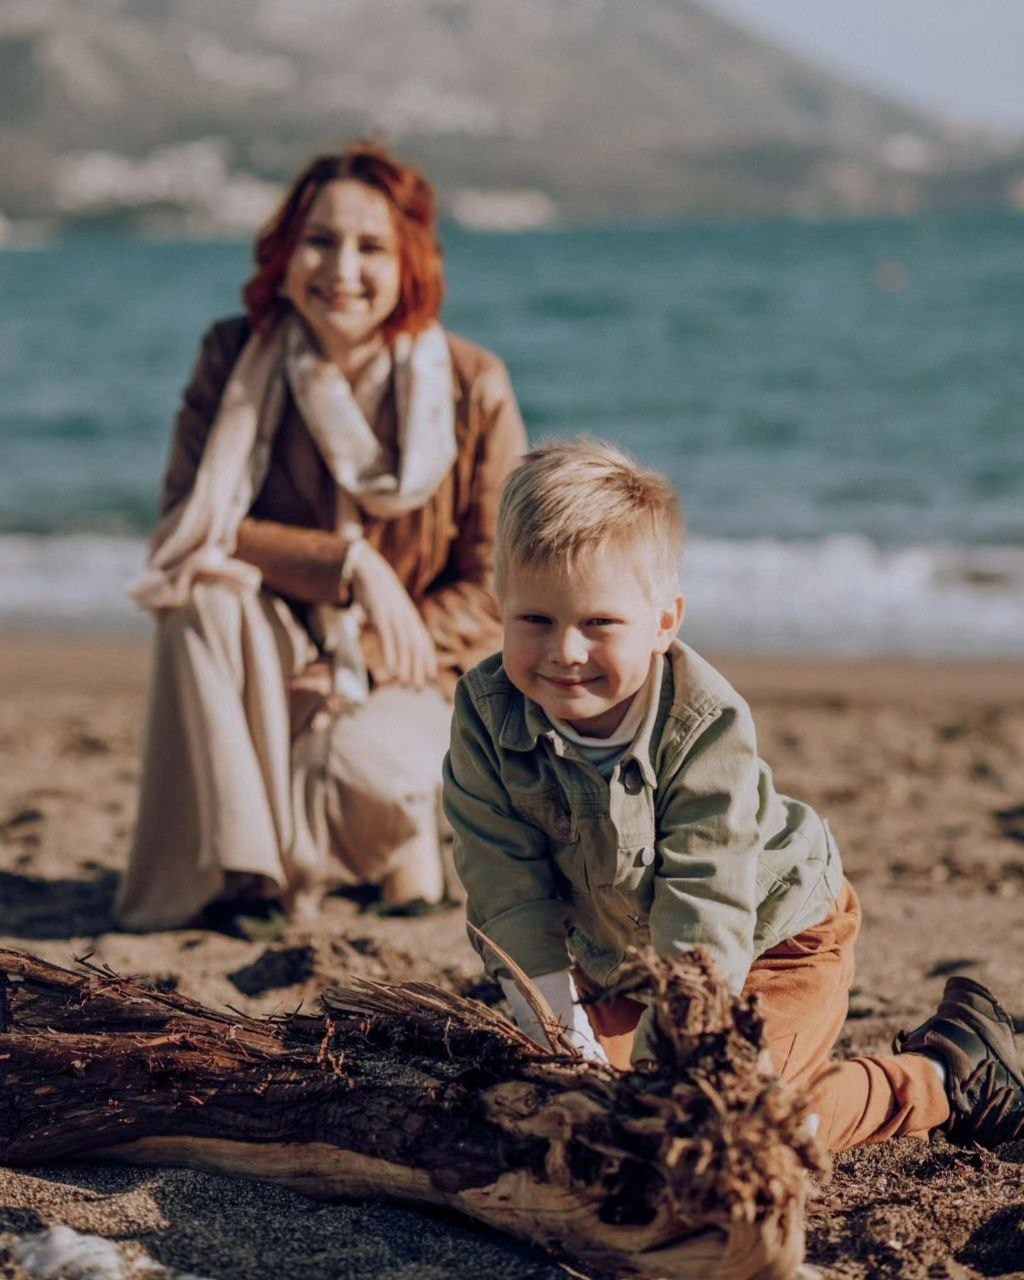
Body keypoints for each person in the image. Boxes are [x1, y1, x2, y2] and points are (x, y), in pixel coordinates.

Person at [443, 438, 1024, 1152]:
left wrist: (667, 1082)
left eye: (599, 623)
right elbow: (506, 890)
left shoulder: (703, 725)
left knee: (735, 1129)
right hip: (618, 956)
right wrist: (565, 1042)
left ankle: (944, 1070)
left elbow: (704, 912)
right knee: (551, 1103)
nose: (565, 650)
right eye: (535, 620)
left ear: (664, 623)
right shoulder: (486, 713)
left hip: (773, 942)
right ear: (501, 603)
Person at [117, 142, 526, 933]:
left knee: (365, 776)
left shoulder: (473, 383)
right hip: (263, 652)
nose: (341, 268)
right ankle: (251, 877)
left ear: (409, 261)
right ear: (285, 251)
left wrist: (353, 664)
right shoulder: (234, 356)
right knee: (198, 597)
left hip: (415, 664)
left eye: (370, 247)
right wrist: (350, 565)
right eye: (320, 240)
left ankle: (399, 846)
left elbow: (496, 586)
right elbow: (182, 526)